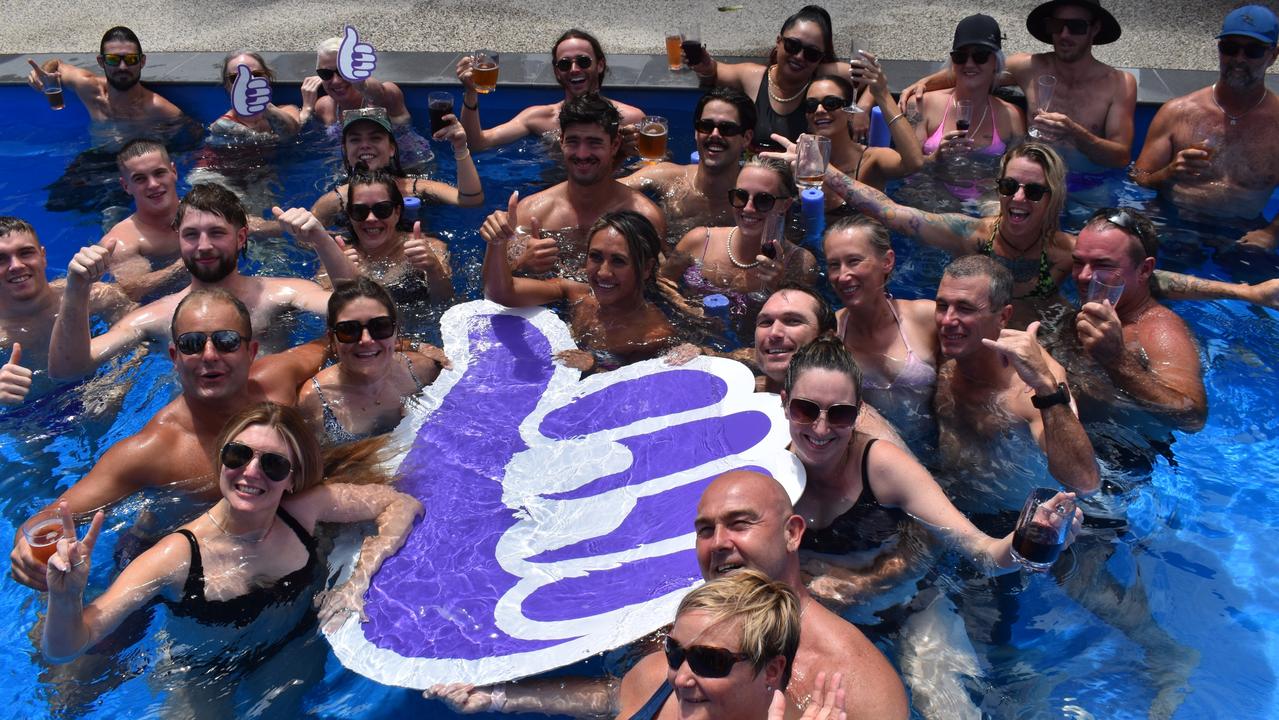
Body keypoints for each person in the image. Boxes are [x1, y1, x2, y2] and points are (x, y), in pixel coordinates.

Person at [428, 470, 908, 719]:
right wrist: (496, 698)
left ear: (792, 533)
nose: (719, 543)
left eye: (740, 524)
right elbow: (624, 695)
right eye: (705, 529)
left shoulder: (850, 683)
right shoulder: (694, 632)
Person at [39, 401, 421, 664]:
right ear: (221, 459)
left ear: (292, 478)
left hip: (290, 652)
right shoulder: (175, 556)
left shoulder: (303, 510)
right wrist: (66, 598)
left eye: (272, 464)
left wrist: (358, 579)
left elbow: (403, 504)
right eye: (239, 456)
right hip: (204, 670)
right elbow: (67, 648)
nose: (251, 472)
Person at [11, 289, 326, 590]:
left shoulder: (279, 378)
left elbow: (339, 340)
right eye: (191, 344)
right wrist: (29, 550)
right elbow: (52, 516)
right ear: (174, 357)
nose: (209, 355)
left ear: (251, 351)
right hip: (161, 552)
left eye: (226, 341)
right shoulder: (156, 450)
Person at [820, 142, 1279, 325]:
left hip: (1044, 335)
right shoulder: (974, 236)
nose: (1018, 198)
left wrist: (1246, 292)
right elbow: (893, 212)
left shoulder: (1069, 251)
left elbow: (1152, 281)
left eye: (1033, 190)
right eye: (1008, 186)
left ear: (1053, 197)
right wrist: (824, 172)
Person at [48, 183, 355, 379]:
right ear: (179, 240)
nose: (203, 245)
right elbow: (69, 369)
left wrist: (320, 240)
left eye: (217, 233)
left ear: (241, 237)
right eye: (191, 235)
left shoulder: (283, 293)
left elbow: (357, 310)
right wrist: (77, 289)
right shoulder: (155, 317)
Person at [931, 255, 1100, 500]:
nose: (947, 321)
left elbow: (1086, 484)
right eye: (942, 305)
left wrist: (1046, 386)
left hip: (1013, 511)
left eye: (966, 308)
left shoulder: (1026, 391)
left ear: (1003, 316)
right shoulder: (941, 339)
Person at [902, 0, 1136, 177]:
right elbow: (973, 69)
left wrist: (1076, 133)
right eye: (1057, 25)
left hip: (1090, 186)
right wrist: (922, 84)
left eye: (1075, 27)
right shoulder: (1030, 67)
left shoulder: (1118, 84)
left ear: (1094, 29)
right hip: (1035, 184)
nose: (1064, 34)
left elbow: (1121, 157)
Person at [1131, 5, 1279, 249]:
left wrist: (1272, 233)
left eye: (1253, 51)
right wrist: (1168, 172)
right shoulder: (1177, 112)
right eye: (1230, 48)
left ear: (1273, 55)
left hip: (1243, 231)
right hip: (1173, 221)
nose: (1239, 59)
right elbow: (1138, 177)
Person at [479, 94, 667, 277]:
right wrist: (522, 263)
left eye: (594, 143)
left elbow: (658, 284)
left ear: (615, 145)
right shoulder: (530, 213)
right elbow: (492, 284)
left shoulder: (645, 216)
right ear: (561, 142)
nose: (582, 154)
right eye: (573, 142)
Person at [485, 206, 691, 372]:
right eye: (596, 257)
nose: (603, 272)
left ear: (646, 268)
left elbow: (636, 390)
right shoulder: (576, 293)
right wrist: (497, 243)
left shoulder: (652, 335)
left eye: (618, 261)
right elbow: (500, 293)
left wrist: (594, 368)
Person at [1063, 208, 1208, 431]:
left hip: (1118, 453)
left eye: (1103, 265)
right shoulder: (1098, 306)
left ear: (1145, 269)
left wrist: (1116, 360)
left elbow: (1192, 418)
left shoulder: (1160, 331)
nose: (1083, 276)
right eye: (1078, 262)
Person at [661, 157, 818, 336]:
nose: (749, 208)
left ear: (785, 205)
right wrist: (688, 309)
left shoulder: (800, 263)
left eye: (763, 200)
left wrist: (778, 286)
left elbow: (798, 329)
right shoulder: (699, 240)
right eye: (741, 196)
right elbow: (663, 281)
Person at [625, 569, 805, 720]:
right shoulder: (652, 682)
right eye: (674, 652)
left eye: (708, 661)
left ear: (771, 670)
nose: (680, 679)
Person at [823, 216, 938, 443]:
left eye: (854, 261)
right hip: (874, 459)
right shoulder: (830, 333)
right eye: (834, 265)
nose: (843, 276)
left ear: (887, 261)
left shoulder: (926, 318)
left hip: (937, 451)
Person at [751, 284, 907, 449]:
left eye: (792, 321)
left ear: (827, 337)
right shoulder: (743, 391)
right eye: (766, 322)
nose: (774, 332)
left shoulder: (857, 427)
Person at [0, 217, 133, 406]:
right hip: (27, 418)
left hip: (95, 390)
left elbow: (141, 338)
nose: (17, 265)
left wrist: (117, 380)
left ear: (43, 256)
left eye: (26, 253)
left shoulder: (96, 296)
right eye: (1, 259)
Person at [297, 278, 442, 446]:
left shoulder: (422, 370)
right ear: (332, 339)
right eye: (349, 330)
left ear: (396, 332)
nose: (366, 340)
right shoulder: (313, 401)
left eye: (380, 326)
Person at [689, 5, 847, 152]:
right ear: (779, 41)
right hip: (756, 176)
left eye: (812, 53)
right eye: (792, 45)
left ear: (820, 58)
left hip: (801, 178)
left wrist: (864, 107)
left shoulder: (822, 78)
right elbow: (714, 71)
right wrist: (705, 68)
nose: (799, 56)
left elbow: (868, 75)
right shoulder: (753, 77)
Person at [458, 29, 646, 151]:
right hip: (552, 193)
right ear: (557, 71)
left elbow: (657, 163)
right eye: (564, 64)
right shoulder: (538, 118)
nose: (574, 69)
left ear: (600, 65)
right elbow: (477, 144)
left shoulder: (631, 118)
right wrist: (471, 93)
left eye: (583, 61)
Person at [912, 15, 1025, 203]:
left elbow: (1020, 175)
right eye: (961, 56)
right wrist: (934, 159)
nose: (969, 64)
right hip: (933, 196)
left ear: (996, 63)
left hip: (986, 200)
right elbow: (906, 167)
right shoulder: (924, 105)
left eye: (980, 56)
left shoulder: (1012, 116)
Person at [311, 107, 483, 227]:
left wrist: (460, 148)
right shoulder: (335, 201)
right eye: (355, 139)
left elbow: (470, 200)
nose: (365, 145)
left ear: (392, 148)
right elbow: (304, 241)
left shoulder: (418, 187)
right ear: (346, 150)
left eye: (375, 138)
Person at [620, 88, 755, 237]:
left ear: (746, 138)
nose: (715, 134)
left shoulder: (756, 199)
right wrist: (618, 155)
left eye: (727, 128)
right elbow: (599, 195)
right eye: (706, 126)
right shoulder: (666, 177)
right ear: (696, 133)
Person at [24, 26, 186, 143]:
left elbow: (192, 140)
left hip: (134, 168)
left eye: (130, 59)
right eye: (113, 59)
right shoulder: (87, 87)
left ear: (142, 61)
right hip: (93, 161)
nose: (122, 67)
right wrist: (45, 73)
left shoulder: (160, 109)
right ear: (101, 62)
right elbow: (57, 64)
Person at [335, 170, 453, 305]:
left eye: (382, 209)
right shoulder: (339, 257)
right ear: (349, 215)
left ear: (397, 212)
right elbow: (330, 313)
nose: (371, 218)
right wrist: (345, 280)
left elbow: (446, 304)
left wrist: (434, 268)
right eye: (359, 211)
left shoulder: (429, 248)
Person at [801, 70, 921, 200]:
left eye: (830, 103)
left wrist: (883, 94)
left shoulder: (872, 160)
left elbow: (914, 163)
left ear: (850, 112)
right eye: (811, 105)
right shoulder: (801, 162)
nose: (819, 110)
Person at [99, 138, 187, 301]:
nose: (153, 184)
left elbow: (245, 227)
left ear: (174, 172)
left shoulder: (205, 210)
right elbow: (131, 291)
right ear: (126, 186)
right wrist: (186, 263)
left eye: (159, 173)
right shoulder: (122, 243)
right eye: (140, 179)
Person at [302, 36, 412, 128]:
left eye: (343, 72)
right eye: (325, 73)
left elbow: (379, 92)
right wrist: (306, 110)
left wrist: (362, 84)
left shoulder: (384, 100)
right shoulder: (325, 107)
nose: (335, 81)